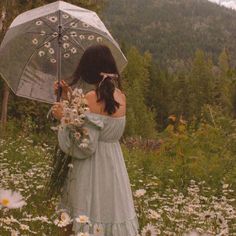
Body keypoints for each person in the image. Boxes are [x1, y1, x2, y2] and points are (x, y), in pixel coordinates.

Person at [51, 44, 139, 236]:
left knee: (87, 213)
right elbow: (99, 118)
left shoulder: (90, 97)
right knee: (111, 212)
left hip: (91, 168)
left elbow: (85, 144)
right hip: (114, 167)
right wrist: (70, 98)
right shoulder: (121, 97)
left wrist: (63, 117)